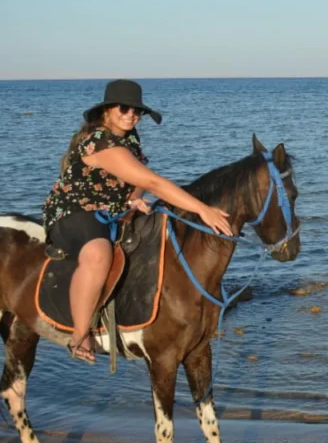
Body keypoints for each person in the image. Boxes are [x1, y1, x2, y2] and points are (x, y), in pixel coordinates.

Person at [42, 79, 233, 364]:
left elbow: (139, 178)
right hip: (75, 212)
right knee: (98, 253)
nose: (131, 114)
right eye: (124, 108)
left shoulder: (129, 139)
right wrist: (203, 209)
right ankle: (81, 333)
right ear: (107, 110)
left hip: (114, 210)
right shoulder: (99, 142)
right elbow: (153, 181)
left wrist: (132, 197)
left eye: (137, 110)